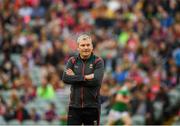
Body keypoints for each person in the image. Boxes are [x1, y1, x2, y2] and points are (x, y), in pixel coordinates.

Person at [62, 34, 104, 125]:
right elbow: (65, 78)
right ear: (78, 47)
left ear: (92, 46)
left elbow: (96, 80)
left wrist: (74, 77)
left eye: (88, 45)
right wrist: (85, 77)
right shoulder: (72, 61)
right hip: (74, 107)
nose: (86, 48)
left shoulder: (98, 61)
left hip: (92, 107)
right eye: (83, 45)